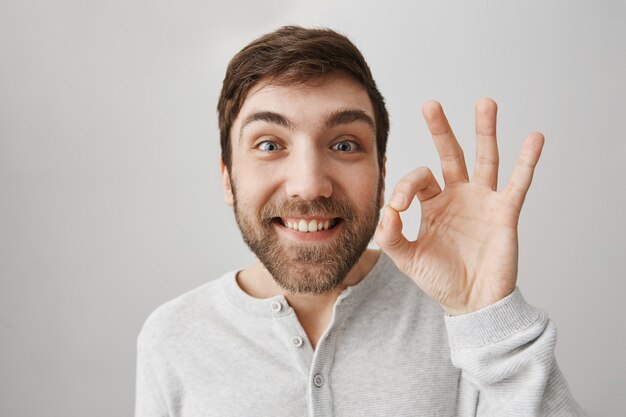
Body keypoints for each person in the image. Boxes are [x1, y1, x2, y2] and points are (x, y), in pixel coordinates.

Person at [135, 26, 587, 416]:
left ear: (381, 173)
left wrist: (490, 317)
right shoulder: (172, 337)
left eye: (345, 144)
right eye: (270, 144)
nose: (310, 186)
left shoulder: (455, 315)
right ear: (228, 178)